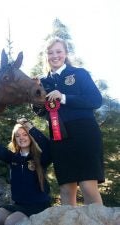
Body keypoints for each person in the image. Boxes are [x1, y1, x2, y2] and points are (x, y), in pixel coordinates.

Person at [34, 37, 104, 205]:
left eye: (58, 51)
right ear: (46, 56)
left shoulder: (80, 74)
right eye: (50, 53)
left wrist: (64, 97)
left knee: (88, 186)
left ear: (65, 53)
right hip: (59, 138)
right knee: (66, 189)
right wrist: (35, 95)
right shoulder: (43, 81)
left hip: (84, 134)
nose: (54, 56)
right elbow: (40, 112)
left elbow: (95, 100)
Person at [0, 107, 51, 225]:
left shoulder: (40, 158)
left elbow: (48, 146)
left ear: (30, 137)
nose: (21, 138)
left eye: (25, 134)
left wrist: (29, 126)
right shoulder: (12, 158)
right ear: (14, 139)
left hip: (38, 205)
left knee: (10, 222)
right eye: (18, 135)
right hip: (18, 205)